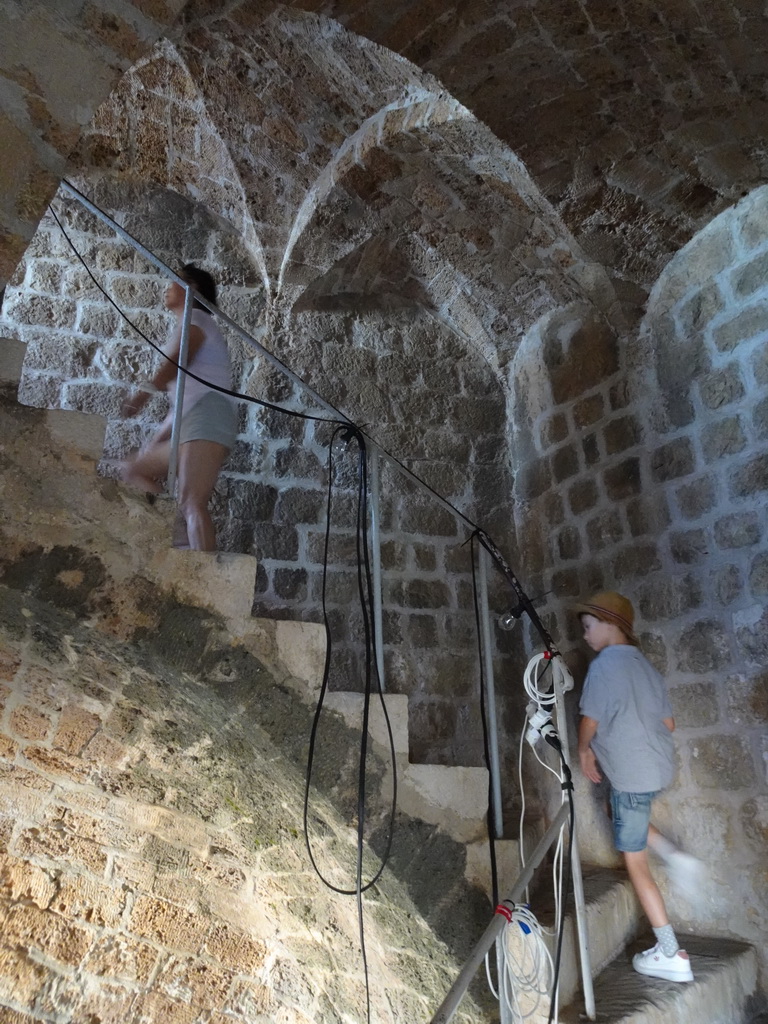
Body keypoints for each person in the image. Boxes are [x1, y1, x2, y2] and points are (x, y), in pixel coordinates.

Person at [573, 590, 703, 983]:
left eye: (588, 626)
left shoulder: (603, 667)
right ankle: (675, 854)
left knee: (636, 862)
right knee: (624, 811)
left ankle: (671, 953)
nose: (584, 635)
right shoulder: (645, 666)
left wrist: (584, 751)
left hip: (630, 776)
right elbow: (669, 725)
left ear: (610, 624)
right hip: (658, 768)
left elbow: (590, 720)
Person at [120, 263, 237, 552]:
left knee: (192, 500)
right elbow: (182, 400)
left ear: (192, 289)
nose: (167, 286)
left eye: (175, 281)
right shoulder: (188, 324)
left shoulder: (198, 319)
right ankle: (181, 539)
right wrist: (157, 439)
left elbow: (177, 362)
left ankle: (205, 577)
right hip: (191, 418)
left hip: (209, 415)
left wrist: (142, 395)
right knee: (133, 470)